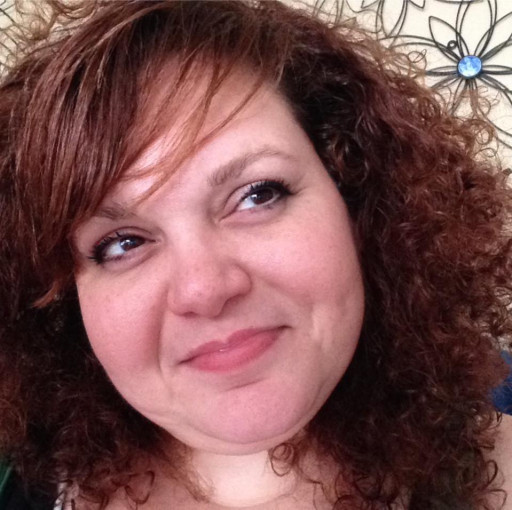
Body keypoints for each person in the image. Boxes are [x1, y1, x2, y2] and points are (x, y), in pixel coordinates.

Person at [0, 1, 511, 508]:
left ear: (357, 201)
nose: (204, 289)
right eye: (123, 243)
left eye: (257, 194)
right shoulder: (26, 482)